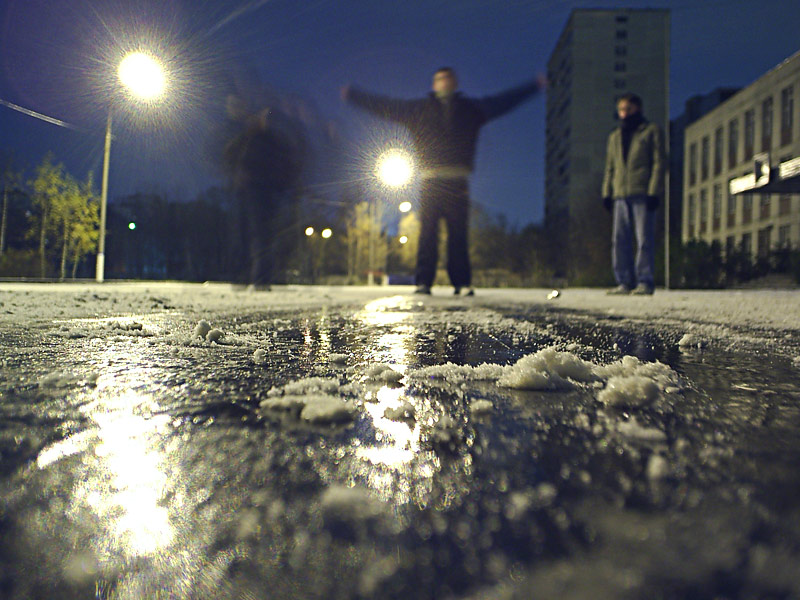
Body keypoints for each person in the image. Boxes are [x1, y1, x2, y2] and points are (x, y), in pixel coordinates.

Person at [342, 67, 544, 295]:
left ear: (455, 82)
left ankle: (461, 282)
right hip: (430, 180)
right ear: (434, 84)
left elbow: (503, 102)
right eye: (440, 79)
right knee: (428, 233)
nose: (444, 82)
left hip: (458, 181)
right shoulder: (419, 110)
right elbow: (386, 106)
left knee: (458, 234)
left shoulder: (470, 109)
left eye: (448, 78)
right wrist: (355, 96)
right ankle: (423, 282)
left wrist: (533, 87)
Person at [601, 93, 665, 295]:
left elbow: (658, 162)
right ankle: (624, 281)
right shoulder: (614, 137)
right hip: (620, 194)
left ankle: (645, 280)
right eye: (620, 109)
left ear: (638, 108)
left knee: (644, 238)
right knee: (619, 240)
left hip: (642, 193)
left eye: (627, 109)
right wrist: (607, 193)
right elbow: (610, 167)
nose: (623, 113)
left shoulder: (651, 131)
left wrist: (654, 191)